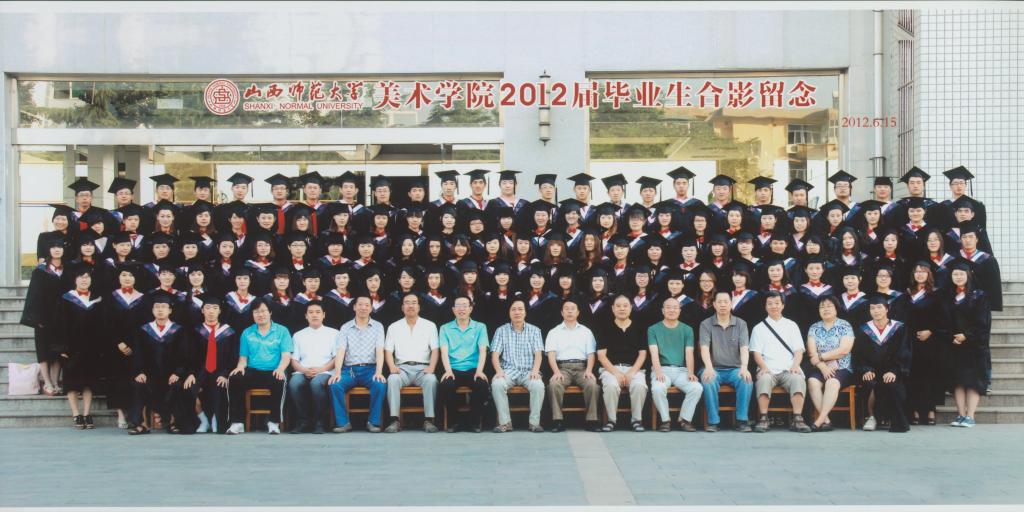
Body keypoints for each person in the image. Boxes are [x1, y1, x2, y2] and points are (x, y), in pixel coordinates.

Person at [225, 299, 293, 435]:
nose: (260, 314)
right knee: (234, 378)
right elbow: (243, 358)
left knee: (279, 380)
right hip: (252, 371)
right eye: (256, 312)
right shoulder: (247, 332)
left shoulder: (282, 331)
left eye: (263, 311)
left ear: (270, 312)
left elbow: (286, 356)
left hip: (273, 370)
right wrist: (240, 367)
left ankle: (274, 422)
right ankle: (237, 422)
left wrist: (280, 369)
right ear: (252, 314)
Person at [748, 291, 811, 433]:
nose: (774, 306)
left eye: (777, 303)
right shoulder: (759, 328)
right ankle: (763, 418)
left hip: (788, 368)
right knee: (764, 380)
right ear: (765, 306)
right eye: (770, 303)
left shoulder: (792, 325)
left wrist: (795, 365)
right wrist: (763, 367)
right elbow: (756, 353)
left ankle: (797, 418)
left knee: (798, 379)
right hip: (768, 368)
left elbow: (799, 350)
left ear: (783, 305)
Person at [128, 294, 190, 435]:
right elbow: (138, 353)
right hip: (150, 374)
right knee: (139, 384)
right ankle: (141, 424)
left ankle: (174, 422)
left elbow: (184, 354)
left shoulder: (179, 330)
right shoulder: (143, 330)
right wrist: (140, 372)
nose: (160, 310)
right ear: (152, 310)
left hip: (171, 374)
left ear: (170, 310)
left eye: (163, 307)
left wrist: (178, 372)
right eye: (157, 307)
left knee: (177, 385)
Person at [327, 296, 387, 433]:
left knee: (380, 384)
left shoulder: (378, 326)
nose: (363, 308)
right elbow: (341, 351)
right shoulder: (345, 327)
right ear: (354, 307)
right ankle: (343, 423)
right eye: (360, 304)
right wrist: (337, 372)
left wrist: (379, 372)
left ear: (371, 308)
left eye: (367, 305)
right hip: (350, 370)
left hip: (370, 369)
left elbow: (380, 351)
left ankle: (373, 422)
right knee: (335, 384)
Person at [383, 293, 441, 433]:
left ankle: (429, 420)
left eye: (414, 302)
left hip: (423, 368)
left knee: (431, 380)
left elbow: (435, 350)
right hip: (402, 368)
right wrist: (392, 367)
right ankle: (395, 420)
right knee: (392, 379)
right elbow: (388, 351)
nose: (410, 305)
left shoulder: (429, 326)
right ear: (402, 307)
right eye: (407, 303)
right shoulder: (393, 327)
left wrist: (432, 367)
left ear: (419, 307)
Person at [854, 294, 912, 433]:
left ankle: (896, 421)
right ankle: (871, 417)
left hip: (891, 370)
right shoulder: (864, 330)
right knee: (869, 382)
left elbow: (904, 351)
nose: (876, 311)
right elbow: (858, 354)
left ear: (887, 309)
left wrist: (894, 371)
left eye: (879, 307)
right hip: (871, 370)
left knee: (892, 384)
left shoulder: (899, 328)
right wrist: (865, 369)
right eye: (872, 308)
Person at [55, 266, 104, 430]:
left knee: (89, 382)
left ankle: (87, 413)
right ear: (75, 280)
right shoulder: (66, 299)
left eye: (87, 277)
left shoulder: (97, 299)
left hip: (91, 347)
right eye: (81, 277)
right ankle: (76, 414)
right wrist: (62, 347)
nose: (84, 280)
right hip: (72, 348)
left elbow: (101, 325)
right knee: (72, 382)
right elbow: (60, 324)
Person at [698, 290, 753, 432]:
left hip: (735, 369)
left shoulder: (741, 324)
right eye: (719, 302)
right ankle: (713, 421)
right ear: (714, 304)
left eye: (726, 302)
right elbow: (704, 348)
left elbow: (744, 348)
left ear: (731, 303)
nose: (723, 305)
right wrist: (708, 367)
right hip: (714, 368)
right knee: (708, 380)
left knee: (746, 379)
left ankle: (742, 420)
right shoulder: (706, 324)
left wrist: (744, 367)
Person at [945, 262, 991, 428]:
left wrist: (966, 336)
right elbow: (943, 320)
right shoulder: (949, 296)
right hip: (954, 345)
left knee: (973, 381)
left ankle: (970, 416)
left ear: (968, 275)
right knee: (957, 381)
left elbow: (983, 322)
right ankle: (961, 415)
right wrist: (951, 336)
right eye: (955, 274)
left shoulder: (979, 296)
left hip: (974, 346)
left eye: (961, 274)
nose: (958, 277)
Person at [183, 295, 237, 434]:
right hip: (200, 371)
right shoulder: (195, 331)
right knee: (188, 389)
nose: (211, 311)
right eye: (207, 308)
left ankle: (216, 419)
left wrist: (226, 374)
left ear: (220, 311)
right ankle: (203, 420)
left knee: (220, 387)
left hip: (221, 371)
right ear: (202, 311)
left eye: (215, 308)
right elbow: (189, 355)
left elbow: (233, 357)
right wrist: (190, 373)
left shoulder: (229, 332)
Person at [648, 297, 704, 432]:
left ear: (679, 310)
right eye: (668, 307)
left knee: (696, 388)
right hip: (662, 369)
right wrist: (658, 372)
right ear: (662, 310)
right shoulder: (653, 329)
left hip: (682, 371)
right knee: (657, 388)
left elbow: (689, 352)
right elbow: (653, 353)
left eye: (675, 307)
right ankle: (665, 420)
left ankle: (684, 419)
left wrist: (690, 372)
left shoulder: (687, 329)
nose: (671, 310)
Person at [545, 300, 601, 432]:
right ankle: (557, 421)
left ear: (578, 312)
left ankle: (591, 420)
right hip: (562, 368)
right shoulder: (554, 332)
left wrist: (589, 370)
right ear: (562, 312)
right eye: (566, 308)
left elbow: (591, 354)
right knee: (554, 385)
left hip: (582, 368)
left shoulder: (586, 331)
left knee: (592, 385)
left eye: (572, 308)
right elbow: (551, 355)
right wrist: (556, 372)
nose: (569, 311)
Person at [490, 299, 546, 433]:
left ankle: (534, 423)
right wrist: (498, 371)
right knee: (497, 384)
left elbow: (538, 354)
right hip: (508, 371)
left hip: (528, 371)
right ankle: (505, 423)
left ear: (525, 312)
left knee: (538, 385)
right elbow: (495, 354)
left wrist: (535, 371)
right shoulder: (501, 330)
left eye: (520, 309)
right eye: (513, 309)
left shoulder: (534, 330)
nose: (517, 312)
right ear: (509, 312)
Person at [21, 237, 67, 396]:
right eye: (53, 247)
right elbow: (33, 295)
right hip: (44, 317)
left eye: (59, 247)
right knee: (44, 350)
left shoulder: (67, 269)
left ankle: (55, 381)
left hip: (62, 317)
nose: (57, 250)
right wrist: (36, 318)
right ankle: (47, 382)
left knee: (59, 350)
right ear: (48, 250)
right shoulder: (40, 270)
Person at [437, 295, 490, 433]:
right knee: (446, 385)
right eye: (458, 306)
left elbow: (483, 351)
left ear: (470, 309)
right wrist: (448, 371)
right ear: (453, 309)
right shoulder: (445, 328)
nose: (462, 309)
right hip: (453, 368)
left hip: (473, 368)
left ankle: (474, 422)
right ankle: (454, 422)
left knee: (482, 385)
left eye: (465, 306)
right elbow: (444, 352)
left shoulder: (480, 327)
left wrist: (479, 371)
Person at [595, 295, 649, 432]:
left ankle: (636, 420)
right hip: (610, 369)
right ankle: (611, 420)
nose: (622, 309)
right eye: (618, 306)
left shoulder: (639, 327)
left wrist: (632, 372)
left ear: (631, 308)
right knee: (611, 385)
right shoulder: (604, 328)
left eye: (625, 306)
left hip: (634, 369)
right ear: (613, 309)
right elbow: (601, 356)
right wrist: (616, 373)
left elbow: (642, 354)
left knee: (639, 386)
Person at [287, 301, 338, 434]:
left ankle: (320, 422)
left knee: (316, 384)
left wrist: (321, 369)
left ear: (324, 315)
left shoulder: (334, 333)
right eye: (311, 312)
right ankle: (303, 421)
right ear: (306, 316)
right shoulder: (298, 335)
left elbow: (336, 358)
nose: (314, 315)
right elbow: (294, 360)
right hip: (303, 371)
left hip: (326, 371)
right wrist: (304, 370)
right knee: (294, 384)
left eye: (318, 312)